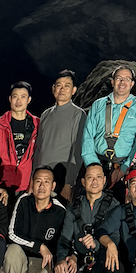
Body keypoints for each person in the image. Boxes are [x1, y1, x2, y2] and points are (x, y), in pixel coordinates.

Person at [54, 161, 123, 273]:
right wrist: (63, 259)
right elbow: (65, 238)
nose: (94, 181)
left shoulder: (113, 205)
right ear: (83, 182)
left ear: (104, 180)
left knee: (107, 267)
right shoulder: (75, 206)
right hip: (81, 258)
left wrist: (97, 244)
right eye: (90, 178)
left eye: (98, 177)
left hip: (102, 257)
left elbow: (115, 236)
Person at [1, 166, 68, 273]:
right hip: (22, 261)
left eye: (46, 182)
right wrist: (38, 246)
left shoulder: (60, 210)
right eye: (38, 181)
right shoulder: (23, 201)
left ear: (53, 186)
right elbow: (12, 234)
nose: (42, 186)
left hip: (42, 264)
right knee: (12, 250)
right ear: (32, 183)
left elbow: (64, 241)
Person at [81, 65, 136, 188]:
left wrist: (125, 168)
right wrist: (93, 168)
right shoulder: (98, 105)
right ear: (112, 82)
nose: (122, 82)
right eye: (119, 78)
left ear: (132, 84)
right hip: (97, 164)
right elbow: (87, 137)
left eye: (127, 79)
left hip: (124, 168)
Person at [31, 69, 87, 201]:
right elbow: (38, 148)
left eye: (67, 86)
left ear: (73, 90)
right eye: (59, 85)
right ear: (53, 89)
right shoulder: (45, 115)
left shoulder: (78, 114)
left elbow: (77, 150)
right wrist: (33, 178)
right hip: (42, 180)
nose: (62, 89)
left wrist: (69, 182)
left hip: (61, 179)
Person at [0, 81, 40, 204]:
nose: (18, 101)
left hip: (27, 187)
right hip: (1, 186)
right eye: (15, 96)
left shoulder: (37, 125)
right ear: (10, 99)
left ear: (29, 100)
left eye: (23, 97)